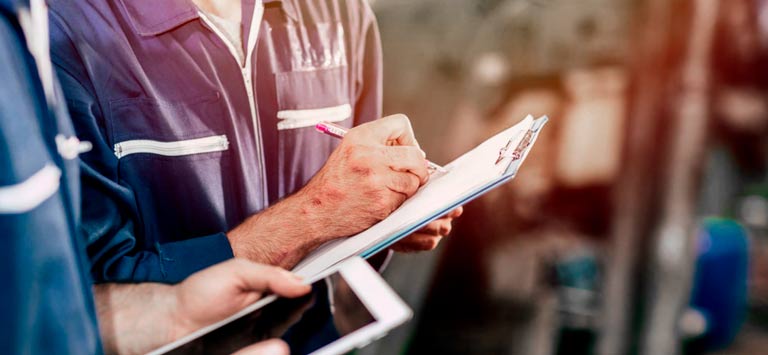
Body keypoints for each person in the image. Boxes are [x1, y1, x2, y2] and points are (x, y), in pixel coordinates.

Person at [48, 0, 462, 283]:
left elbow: (357, 202)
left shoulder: (341, 12)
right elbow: (90, 294)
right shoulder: (60, 33)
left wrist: (386, 212)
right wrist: (310, 218)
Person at [0, 0, 309, 354]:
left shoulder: (24, 26)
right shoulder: (64, 31)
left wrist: (170, 312)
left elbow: (48, 311)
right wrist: (305, 219)